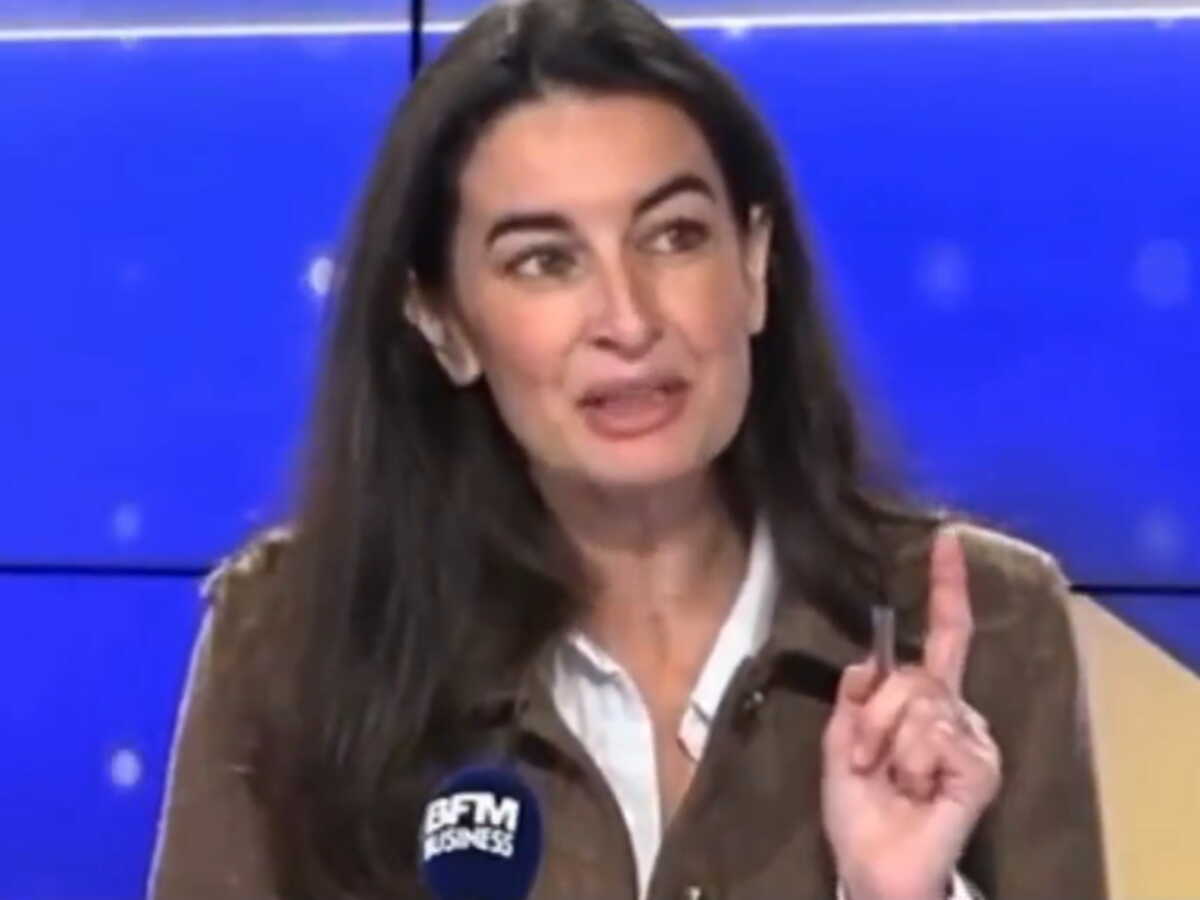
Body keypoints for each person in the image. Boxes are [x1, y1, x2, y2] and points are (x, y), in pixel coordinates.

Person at [147, 1, 1108, 898]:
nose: (629, 319)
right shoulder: (289, 641)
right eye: (545, 260)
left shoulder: (985, 629)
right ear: (442, 322)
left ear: (754, 266)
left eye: (675, 236)